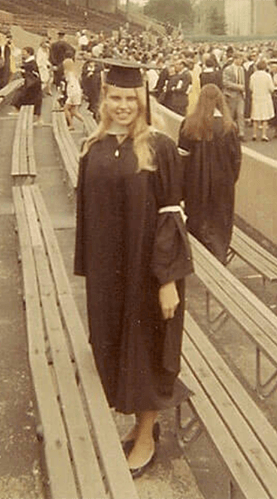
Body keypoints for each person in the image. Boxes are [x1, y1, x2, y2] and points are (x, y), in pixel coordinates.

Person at [74, 61, 193, 478]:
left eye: (131, 98)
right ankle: (140, 426)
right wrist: (91, 272)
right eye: (116, 97)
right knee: (113, 350)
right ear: (104, 98)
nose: (123, 105)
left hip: (148, 274)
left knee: (146, 355)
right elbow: (86, 215)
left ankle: (146, 436)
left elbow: (170, 216)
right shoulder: (94, 146)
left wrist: (167, 282)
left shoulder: (158, 146)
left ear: (143, 99)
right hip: (109, 278)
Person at [178, 83, 241, 263]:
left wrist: (183, 187)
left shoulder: (189, 124)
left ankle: (200, 259)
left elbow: (181, 159)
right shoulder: (229, 127)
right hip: (223, 184)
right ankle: (219, 257)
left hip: (195, 184)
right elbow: (236, 160)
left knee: (198, 220)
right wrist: (229, 181)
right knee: (220, 223)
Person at [11, 47, 43, 126]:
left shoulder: (31, 63)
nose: (22, 53)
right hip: (33, 85)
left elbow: (32, 74)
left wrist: (23, 71)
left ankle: (18, 111)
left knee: (23, 95)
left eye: (24, 52)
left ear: (29, 53)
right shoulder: (29, 62)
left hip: (33, 85)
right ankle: (38, 120)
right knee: (32, 100)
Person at [249, 59, 275, 141]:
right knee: (265, 117)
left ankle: (254, 134)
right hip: (265, 97)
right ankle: (264, 135)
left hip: (256, 97)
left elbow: (251, 87)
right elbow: (271, 88)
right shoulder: (267, 76)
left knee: (255, 117)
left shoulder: (253, 76)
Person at [223, 52, 246, 140]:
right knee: (231, 114)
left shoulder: (241, 69)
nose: (241, 61)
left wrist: (243, 91)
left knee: (241, 114)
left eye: (242, 59)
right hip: (230, 94)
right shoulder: (228, 69)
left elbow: (243, 82)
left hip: (240, 95)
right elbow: (225, 82)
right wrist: (237, 86)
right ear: (235, 59)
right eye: (239, 59)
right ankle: (230, 132)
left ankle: (241, 133)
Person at [62, 58, 83, 130]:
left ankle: (71, 125)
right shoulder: (74, 72)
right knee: (74, 111)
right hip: (76, 92)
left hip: (73, 93)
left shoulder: (69, 74)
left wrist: (70, 96)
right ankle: (83, 122)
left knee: (66, 109)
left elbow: (72, 84)